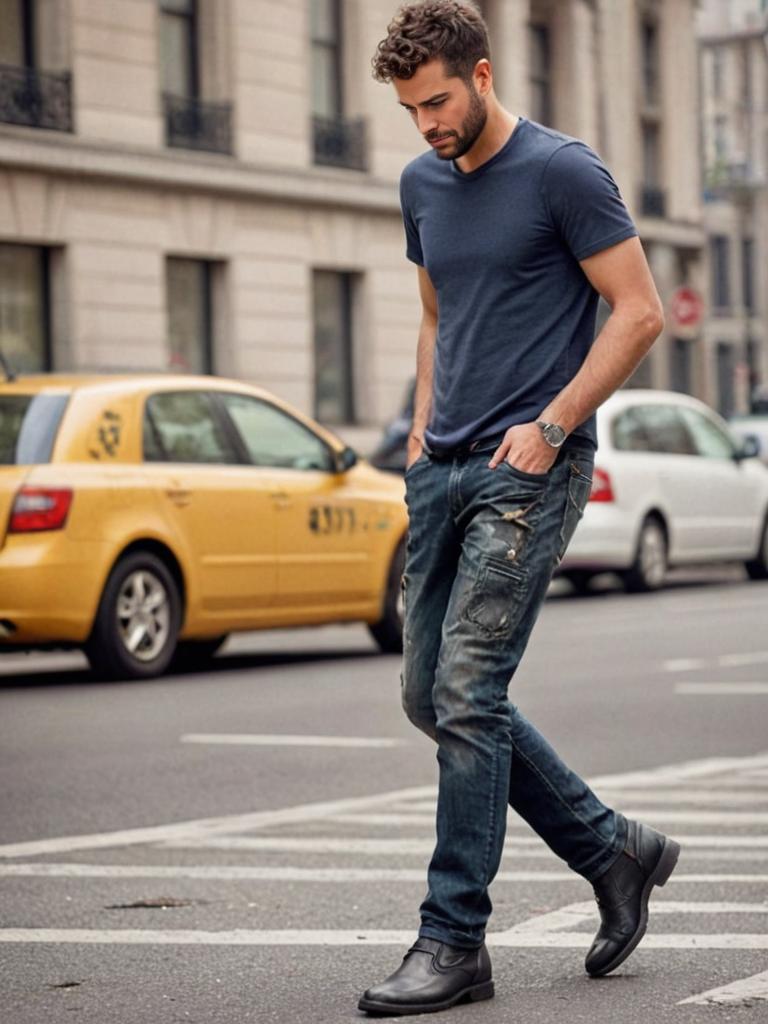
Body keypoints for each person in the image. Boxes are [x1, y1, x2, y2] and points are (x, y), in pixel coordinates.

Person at [358, 1, 680, 1016]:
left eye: (440, 101)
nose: (427, 126)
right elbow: (436, 313)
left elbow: (639, 312)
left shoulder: (563, 171)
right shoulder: (422, 182)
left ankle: (454, 939)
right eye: (411, 109)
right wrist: (418, 431)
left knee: (464, 689)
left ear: (484, 75)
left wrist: (552, 422)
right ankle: (612, 849)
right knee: (433, 695)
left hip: (527, 472)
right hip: (443, 466)